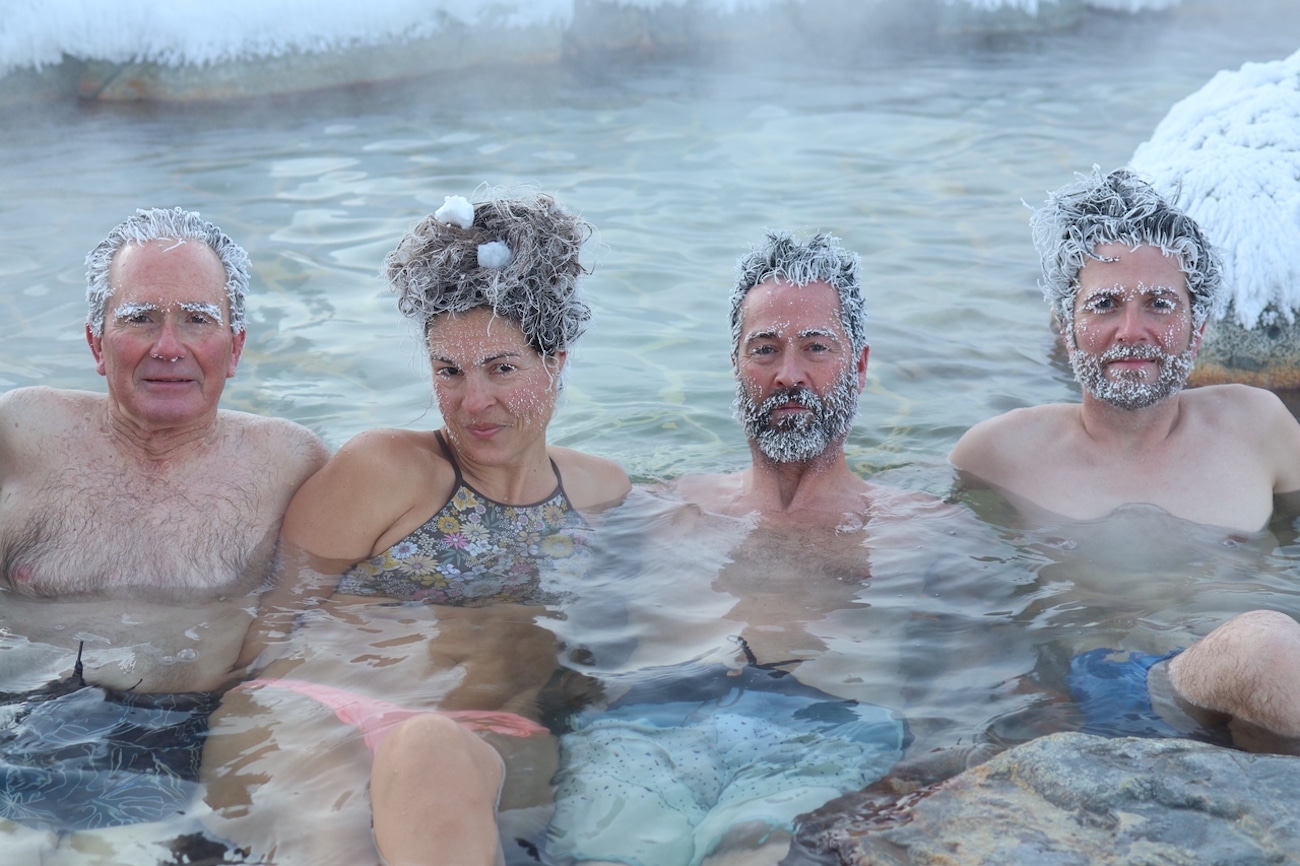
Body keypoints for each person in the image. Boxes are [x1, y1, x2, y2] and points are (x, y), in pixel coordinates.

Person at [202, 192, 629, 866]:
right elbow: (272, 624)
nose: (473, 401)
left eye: (502, 368)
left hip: (488, 734)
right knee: (330, 846)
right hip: (316, 712)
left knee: (428, 750)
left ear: (557, 361)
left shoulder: (602, 493)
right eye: (449, 371)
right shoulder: (384, 471)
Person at [543, 232, 983, 866]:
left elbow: (973, 696)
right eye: (766, 349)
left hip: (832, 736)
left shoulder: (929, 530)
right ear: (736, 365)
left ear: (858, 366)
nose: (789, 374)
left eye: (815, 349)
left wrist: (907, 792)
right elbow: (576, 654)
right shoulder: (659, 509)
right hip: (648, 730)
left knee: (755, 852)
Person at [0, 207, 328, 835]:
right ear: (97, 343)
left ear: (235, 348)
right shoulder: (23, 433)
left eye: (197, 320)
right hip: (14, 721)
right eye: (140, 318)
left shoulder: (290, 464)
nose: (169, 347)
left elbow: (337, 625)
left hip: (188, 743)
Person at [950, 167, 1300, 754]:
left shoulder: (1258, 427)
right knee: (1268, 647)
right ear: (1066, 327)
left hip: (1243, 694)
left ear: (1196, 329)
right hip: (1097, 689)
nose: (1130, 331)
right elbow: (955, 612)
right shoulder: (997, 455)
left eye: (1160, 305)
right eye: (1105, 304)